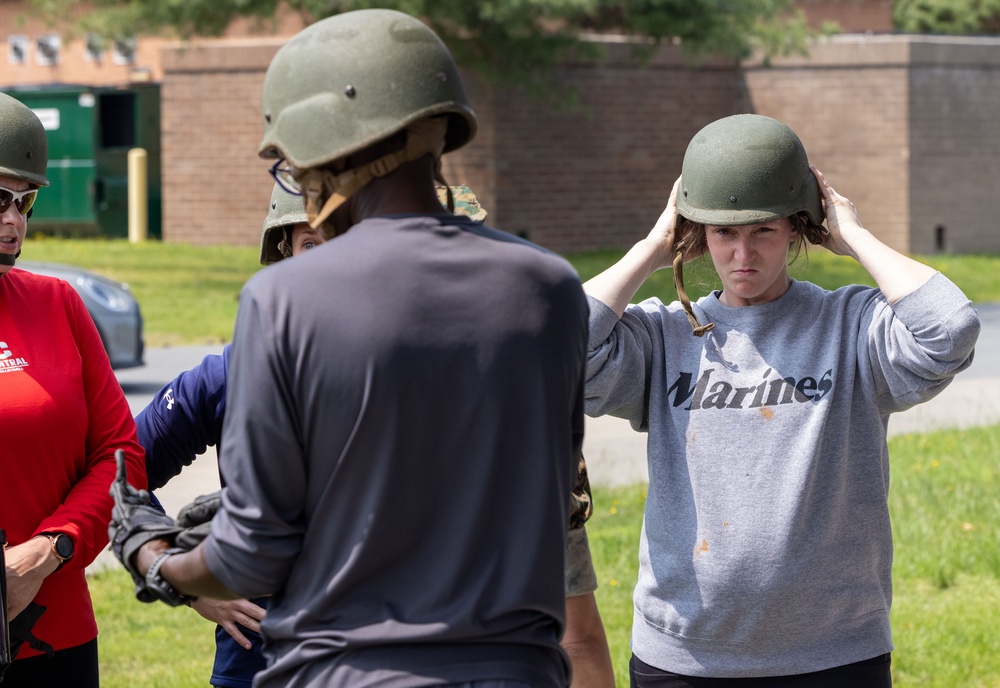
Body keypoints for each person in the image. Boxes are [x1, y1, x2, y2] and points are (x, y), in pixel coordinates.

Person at [110, 9, 592, 688]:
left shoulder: (287, 300)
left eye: (292, 162)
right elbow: (553, 493)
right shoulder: (552, 288)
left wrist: (159, 563)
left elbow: (252, 553)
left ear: (327, 149)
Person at [137, 183, 613, 688]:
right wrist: (188, 580)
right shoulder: (233, 374)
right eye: (311, 246)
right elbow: (118, 466)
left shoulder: (439, 373)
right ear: (283, 258)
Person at [583, 113, 981, 686]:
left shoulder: (851, 326)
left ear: (798, 229)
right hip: (686, 656)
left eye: (764, 231)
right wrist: (654, 245)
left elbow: (951, 328)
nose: (743, 254)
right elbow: (553, 345)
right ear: (698, 235)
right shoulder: (663, 336)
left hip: (834, 652)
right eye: (724, 233)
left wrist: (853, 235)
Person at [0, 91, 146, 686]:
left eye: (24, 201)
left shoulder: (58, 304)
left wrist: (49, 551)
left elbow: (122, 458)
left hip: (54, 638)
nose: (14, 220)